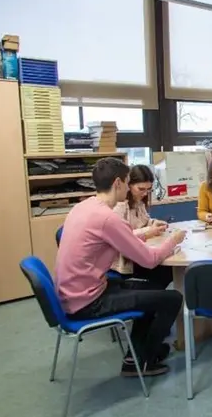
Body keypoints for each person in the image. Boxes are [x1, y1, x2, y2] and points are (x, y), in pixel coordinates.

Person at [55, 157, 186, 377]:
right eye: (127, 182)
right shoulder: (108, 218)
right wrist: (174, 240)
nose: (128, 188)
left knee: (151, 287)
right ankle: (142, 362)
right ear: (117, 183)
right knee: (172, 299)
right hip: (88, 301)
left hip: (75, 293)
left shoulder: (83, 207)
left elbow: (128, 244)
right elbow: (150, 260)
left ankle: (136, 353)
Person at [111, 164, 174, 290]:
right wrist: (149, 231)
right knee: (164, 272)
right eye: (141, 189)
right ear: (129, 185)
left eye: (148, 189)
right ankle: (154, 299)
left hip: (138, 254)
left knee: (168, 271)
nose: (145, 193)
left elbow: (144, 220)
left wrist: (153, 223)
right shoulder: (119, 205)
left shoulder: (138, 201)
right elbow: (122, 237)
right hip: (125, 263)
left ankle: (156, 298)